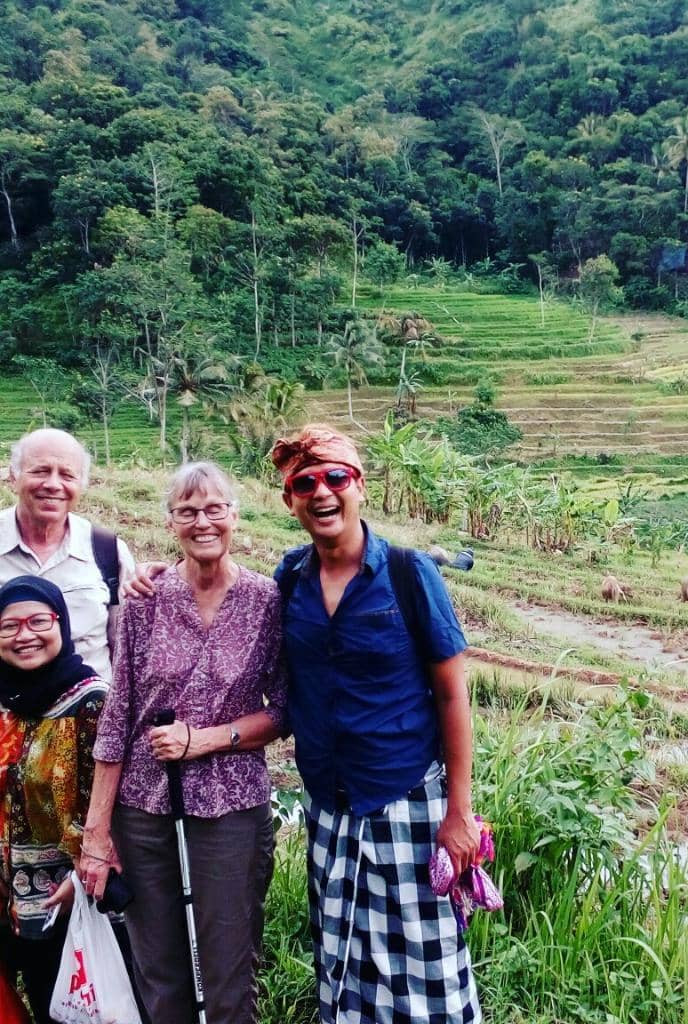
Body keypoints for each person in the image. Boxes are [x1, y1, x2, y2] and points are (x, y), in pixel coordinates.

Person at [270, 424, 481, 1024]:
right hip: (330, 806)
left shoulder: (412, 575)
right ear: (290, 501)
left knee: (425, 963)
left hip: (408, 798)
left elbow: (451, 695)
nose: (321, 492)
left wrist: (459, 813)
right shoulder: (290, 581)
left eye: (335, 477)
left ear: (359, 486)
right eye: (303, 483)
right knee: (343, 957)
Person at [79, 462, 287, 1024]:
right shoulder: (145, 598)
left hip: (230, 807)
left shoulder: (266, 600)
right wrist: (97, 832)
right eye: (187, 510)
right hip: (143, 807)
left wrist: (205, 740)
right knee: (161, 969)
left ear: (235, 517)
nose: (202, 521)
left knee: (227, 965)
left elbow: (283, 711)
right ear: (170, 522)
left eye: (214, 508)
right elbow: (119, 713)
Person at [0, 576, 107, 1023]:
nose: (25, 636)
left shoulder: (91, 701)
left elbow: (114, 801)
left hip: (68, 900)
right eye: (8, 627)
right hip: (7, 900)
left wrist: (83, 876)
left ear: (61, 624)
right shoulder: (4, 701)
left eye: (38, 620)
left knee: (70, 1011)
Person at [1, 429, 134, 682]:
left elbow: (126, 649)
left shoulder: (107, 550)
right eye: (40, 471)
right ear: (13, 476)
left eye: (67, 474)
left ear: (81, 485)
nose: (52, 484)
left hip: (89, 714)